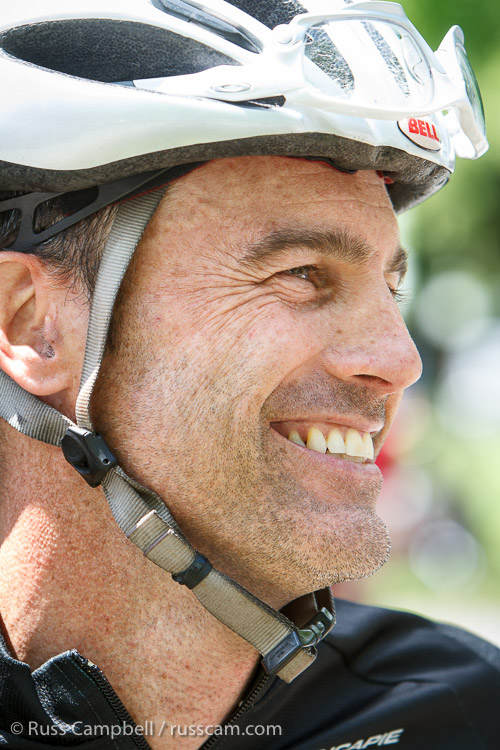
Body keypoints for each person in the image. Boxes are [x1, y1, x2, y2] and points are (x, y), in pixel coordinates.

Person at [0, 1, 498, 748]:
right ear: (30, 322)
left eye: (391, 290)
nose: (400, 363)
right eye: (302, 274)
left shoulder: (463, 716)